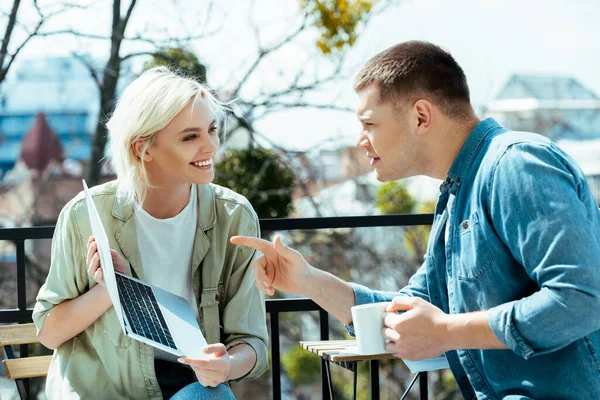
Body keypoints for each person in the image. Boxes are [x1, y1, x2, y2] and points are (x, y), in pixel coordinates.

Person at [231, 41, 600, 399]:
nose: (360, 140)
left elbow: (582, 299)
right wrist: (307, 280)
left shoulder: (516, 165)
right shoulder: (456, 196)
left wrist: (447, 331)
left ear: (421, 117)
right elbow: (404, 316)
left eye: (369, 124)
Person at [33, 66, 268, 399]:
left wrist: (226, 365)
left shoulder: (234, 217)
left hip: (191, 385)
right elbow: (49, 333)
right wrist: (111, 289)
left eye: (212, 130)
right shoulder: (85, 215)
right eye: (191, 137)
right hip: (104, 389)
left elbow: (252, 341)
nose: (211, 146)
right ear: (143, 148)